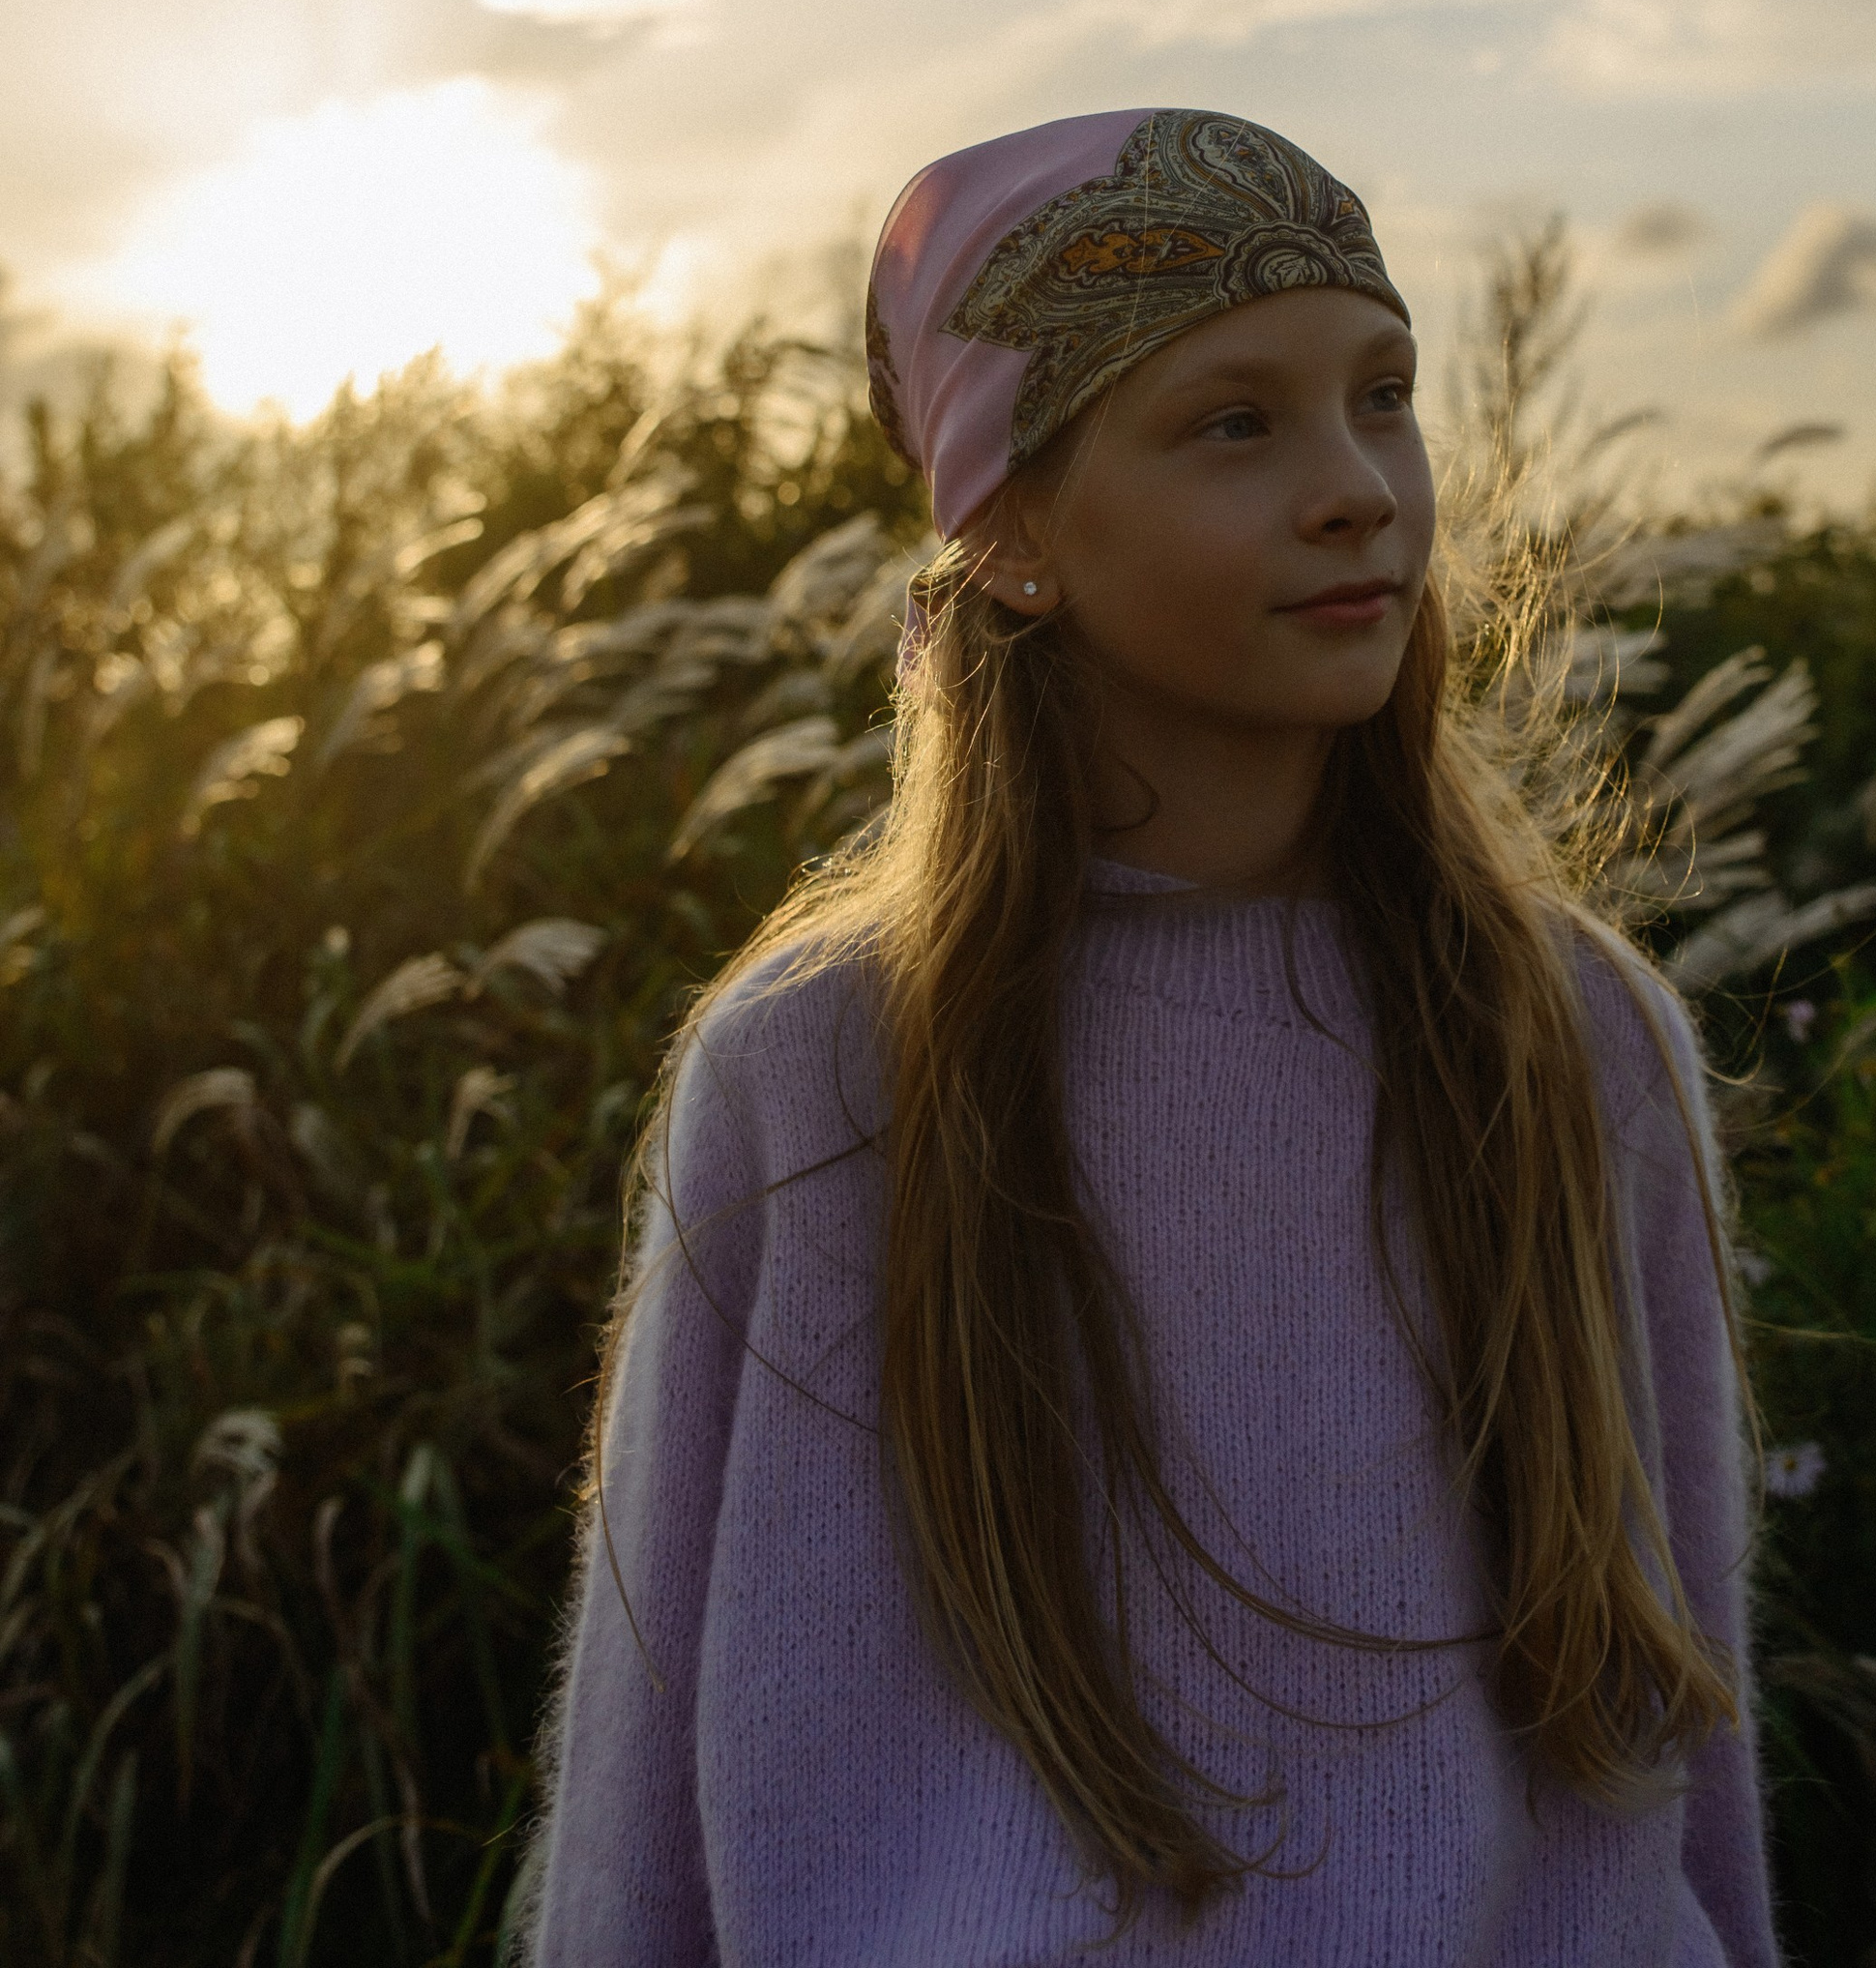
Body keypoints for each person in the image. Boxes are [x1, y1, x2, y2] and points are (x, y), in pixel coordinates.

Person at [525, 106, 1777, 1965]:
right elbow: (648, 1770)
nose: (1360, 485)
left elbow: (1685, 1707)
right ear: (1015, 529)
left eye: (1384, 394)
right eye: (1234, 423)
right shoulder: (826, 1070)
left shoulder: (1568, 1028)